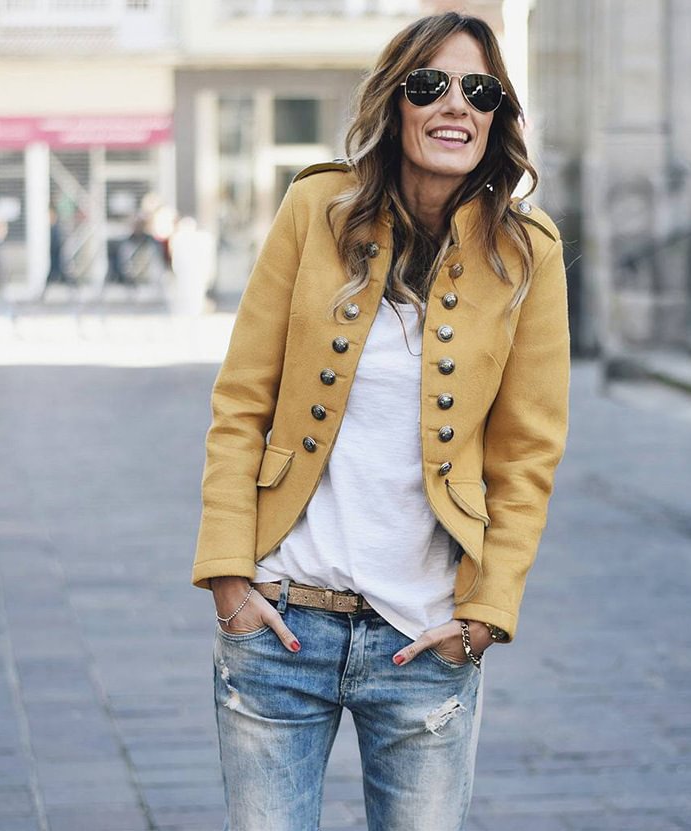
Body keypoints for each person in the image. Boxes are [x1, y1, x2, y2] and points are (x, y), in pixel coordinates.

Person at [191, 12, 569, 831]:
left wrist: (484, 615)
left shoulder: (527, 252)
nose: (456, 105)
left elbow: (528, 454)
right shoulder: (316, 208)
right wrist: (228, 577)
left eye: (480, 90)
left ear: (498, 114)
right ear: (395, 102)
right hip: (281, 622)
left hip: (425, 638)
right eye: (431, 85)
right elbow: (241, 402)